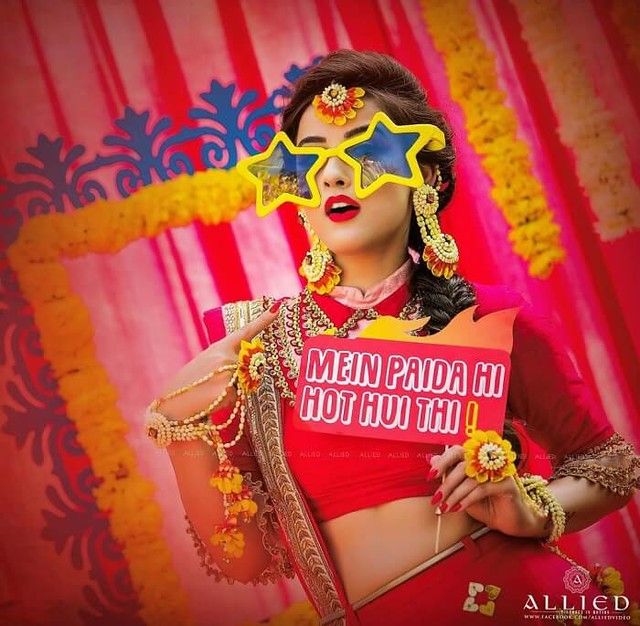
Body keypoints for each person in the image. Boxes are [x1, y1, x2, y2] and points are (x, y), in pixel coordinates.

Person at [144, 50, 640, 625]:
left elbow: (612, 465)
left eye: (363, 148)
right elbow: (248, 559)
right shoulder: (254, 349)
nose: (334, 173)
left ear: (425, 174)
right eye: (313, 159)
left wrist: (533, 511)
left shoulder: (491, 317)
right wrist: (182, 426)